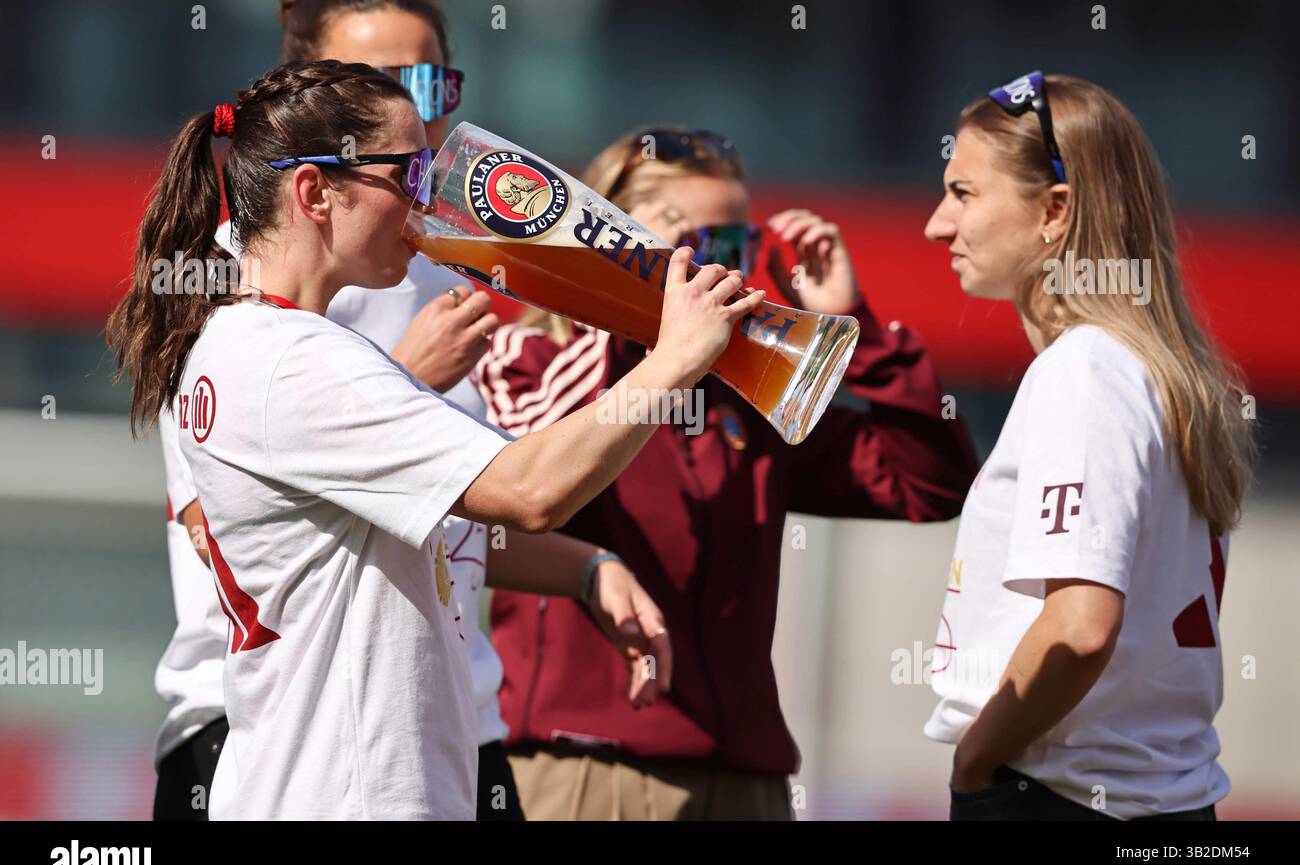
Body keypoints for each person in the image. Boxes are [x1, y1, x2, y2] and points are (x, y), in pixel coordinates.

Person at [107, 59, 763, 820]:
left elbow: (448, 525)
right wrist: (677, 358)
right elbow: (528, 491)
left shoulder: (252, 342)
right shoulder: (292, 358)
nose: (429, 199)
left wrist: (587, 572)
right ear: (316, 193)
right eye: (408, 171)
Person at [480, 125, 980, 820]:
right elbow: (517, 491)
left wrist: (853, 324)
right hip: (587, 771)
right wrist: (613, 304)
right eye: (698, 245)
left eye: (736, 247)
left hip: (748, 779)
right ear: (610, 232)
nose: (724, 270)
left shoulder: (740, 390)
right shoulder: (528, 356)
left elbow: (924, 487)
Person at [921, 72, 1257, 821]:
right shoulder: (1162, 374)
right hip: (1160, 808)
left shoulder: (1085, 370)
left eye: (964, 193)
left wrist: (977, 764)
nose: (937, 225)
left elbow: (1080, 629)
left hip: (1064, 797)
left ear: (1055, 211)